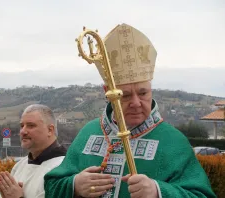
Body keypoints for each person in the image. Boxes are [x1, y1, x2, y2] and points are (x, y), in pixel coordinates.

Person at [44, 23, 216, 198]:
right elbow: (52, 186)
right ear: (108, 92)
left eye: (143, 93)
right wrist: (74, 185)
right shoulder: (88, 133)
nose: (136, 103)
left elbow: (202, 195)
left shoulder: (174, 142)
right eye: (124, 95)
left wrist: (158, 191)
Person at [0, 104, 67, 198]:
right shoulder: (20, 165)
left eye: (31, 126)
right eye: (22, 126)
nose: (23, 131)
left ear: (50, 130)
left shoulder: (63, 168)